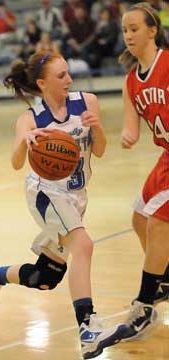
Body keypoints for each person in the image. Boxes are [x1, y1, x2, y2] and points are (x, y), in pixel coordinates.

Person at [0, 51, 128, 359]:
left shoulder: (87, 102)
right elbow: (16, 163)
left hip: (75, 196)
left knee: (45, 277)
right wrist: (26, 140)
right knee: (83, 245)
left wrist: (97, 128)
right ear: (42, 83)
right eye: (61, 76)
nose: (69, 80)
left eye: (68, 73)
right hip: (45, 193)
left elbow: (98, 151)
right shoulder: (30, 118)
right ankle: (89, 328)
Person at [118, 2, 169, 340]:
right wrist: (127, 136)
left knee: (158, 221)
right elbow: (131, 129)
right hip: (166, 157)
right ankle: (164, 278)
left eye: (134, 28)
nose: (128, 35)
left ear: (152, 31)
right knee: (138, 218)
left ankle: (146, 303)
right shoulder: (130, 81)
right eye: (124, 30)